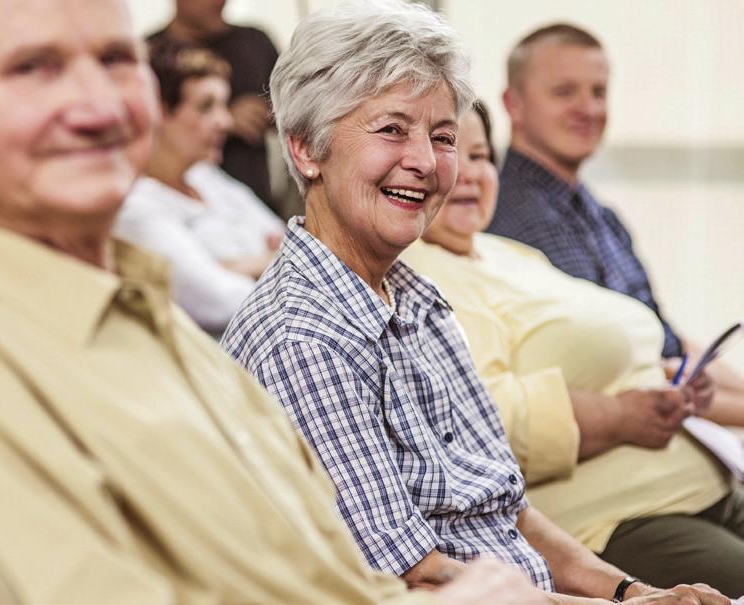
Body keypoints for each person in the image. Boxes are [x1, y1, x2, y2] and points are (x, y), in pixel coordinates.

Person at [0, 0, 552, 603]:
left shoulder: (154, 326)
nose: (97, 105)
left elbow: (327, 577)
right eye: (33, 67)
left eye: (114, 60)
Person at [222, 1, 730, 603]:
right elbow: (416, 576)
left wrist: (629, 592)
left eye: (442, 137)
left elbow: (508, 509)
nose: (426, 162)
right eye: (391, 129)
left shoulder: (417, 301)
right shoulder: (301, 338)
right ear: (306, 148)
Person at [402, 101, 744, 596]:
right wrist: (615, 416)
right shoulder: (421, 275)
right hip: (613, 522)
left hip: (705, 486)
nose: (471, 174)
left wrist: (667, 380)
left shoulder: (510, 254)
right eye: (451, 152)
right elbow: (474, 425)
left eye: (480, 155)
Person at [488, 22, 744, 425]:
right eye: (564, 92)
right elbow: (626, 373)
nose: (588, 109)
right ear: (514, 104)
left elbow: (669, 344)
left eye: (598, 92)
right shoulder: (510, 217)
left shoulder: (600, 215)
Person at [114, 38, 283, 334]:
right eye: (206, 106)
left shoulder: (205, 177)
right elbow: (220, 302)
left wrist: (233, 265)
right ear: (158, 112)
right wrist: (270, 260)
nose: (224, 121)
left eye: (224, 105)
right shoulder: (135, 208)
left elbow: (294, 241)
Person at [148, 0, 279, 210]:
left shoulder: (254, 43)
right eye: (206, 106)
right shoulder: (149, 54)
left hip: (255, 199)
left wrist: (272, 112)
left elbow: (296, 114)